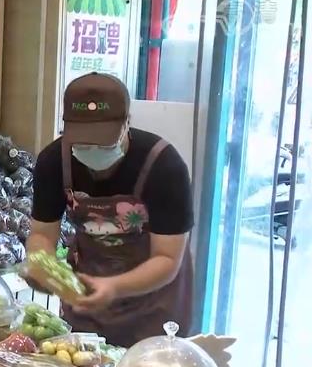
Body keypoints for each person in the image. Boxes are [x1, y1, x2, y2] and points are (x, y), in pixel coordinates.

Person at [26, 72, 194, 347]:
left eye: (103, 141)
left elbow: (167, 258)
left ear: (127, 123)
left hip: (153, 306)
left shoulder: (164, 166)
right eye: (82, 141)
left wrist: (114, 287)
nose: (92, 148)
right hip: (87, 298)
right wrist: (42, 264)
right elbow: (42, 234)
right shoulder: (54, 162)